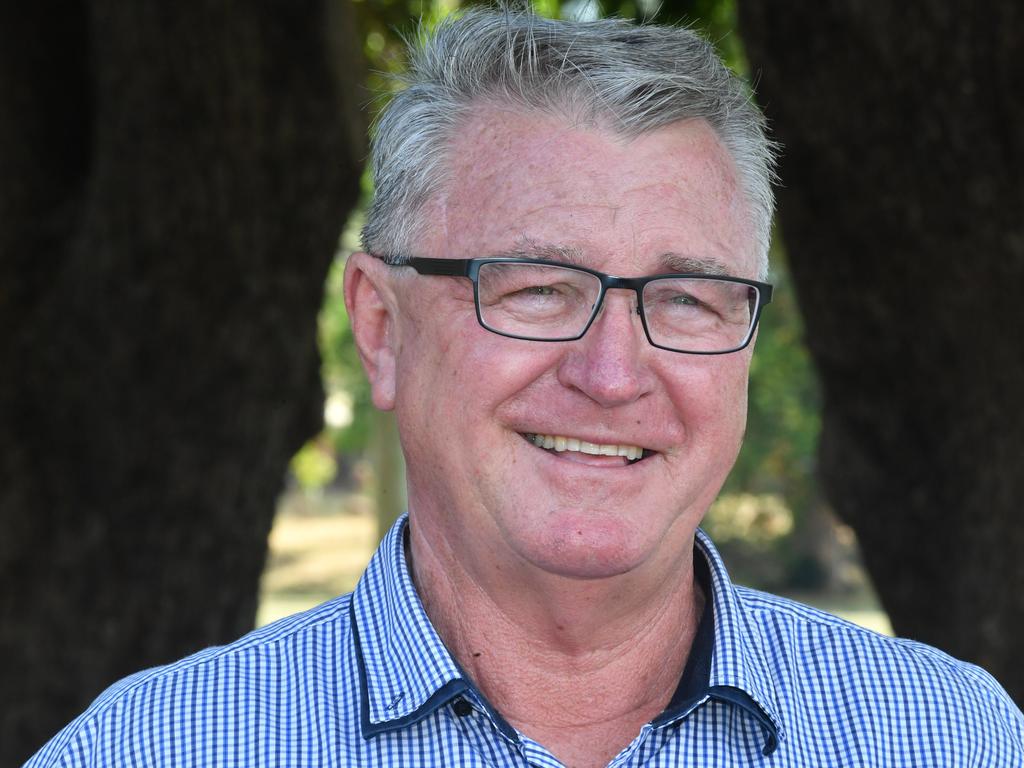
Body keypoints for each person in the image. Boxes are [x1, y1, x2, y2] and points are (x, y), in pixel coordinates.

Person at [28, 7, 1024, 768]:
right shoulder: (150, 750)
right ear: (379, 329)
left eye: (685, 298)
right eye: (539, 289)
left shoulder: (951, 739)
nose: (611, 373)